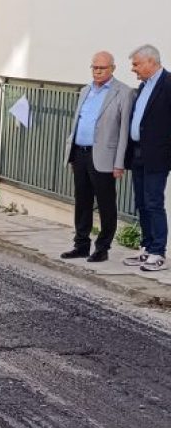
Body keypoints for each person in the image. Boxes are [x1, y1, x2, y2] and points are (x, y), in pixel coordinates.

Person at [61, 52, 132, 263]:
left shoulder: (123, 92)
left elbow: (124, 130)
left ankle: (102, 247)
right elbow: (78, 122)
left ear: (113, 68)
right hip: (80, 153)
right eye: (94, 67)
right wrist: (72, 154)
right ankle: (81, 244)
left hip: (104, 156)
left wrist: (119, 163)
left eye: (102, 68)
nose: (97, 71)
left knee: (106, 203)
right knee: (82, 201)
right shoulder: (86, 90)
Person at [123, 44, 171, 272]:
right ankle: (147, 246)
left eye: (136, 64)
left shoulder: (168, 84)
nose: (133, 69)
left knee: (153, 202)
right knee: (141, 203)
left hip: (157, 156)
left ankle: (158, 252)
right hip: (138, 153)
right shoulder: (143, 87)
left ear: (151, 62)